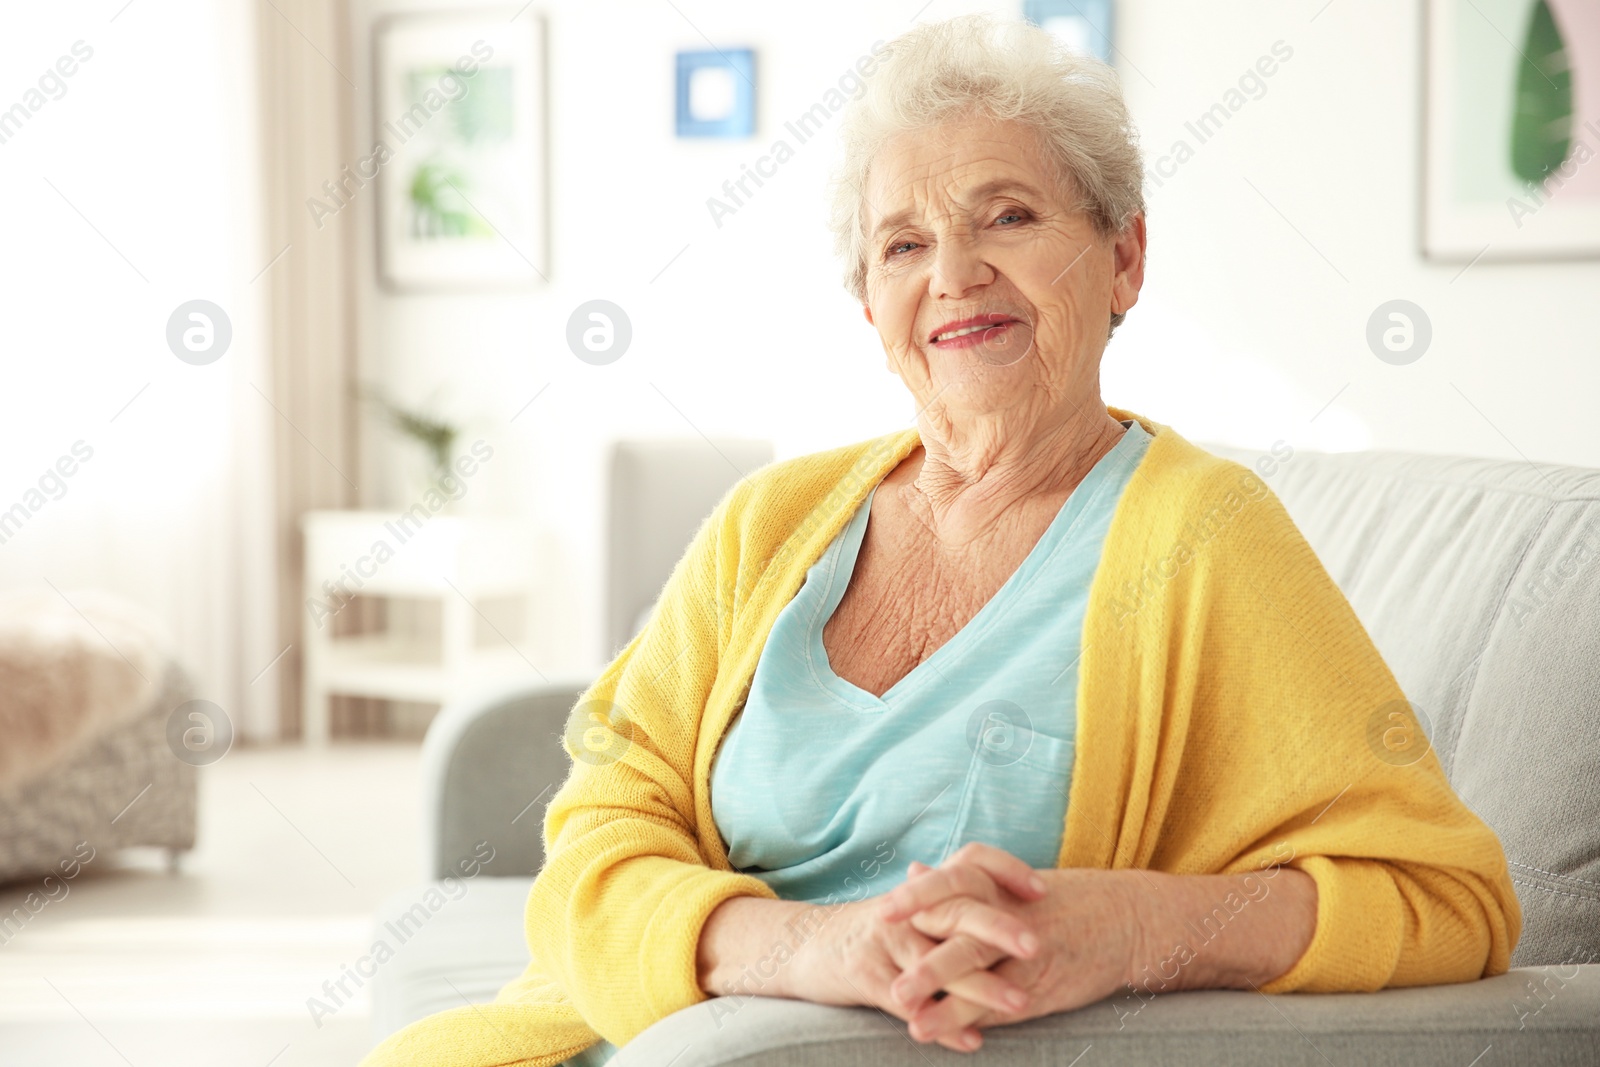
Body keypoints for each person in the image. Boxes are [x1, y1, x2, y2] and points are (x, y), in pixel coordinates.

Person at [361, 12, 1520, 1066]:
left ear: (1122, 258)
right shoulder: (771, 521)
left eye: (1007, 216)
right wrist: (810, 945)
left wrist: (1121, 927)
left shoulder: (1204, 534)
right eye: (903, 244)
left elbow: (1443, 900)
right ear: (870, 302)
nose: (955, 275)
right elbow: (601, 827)